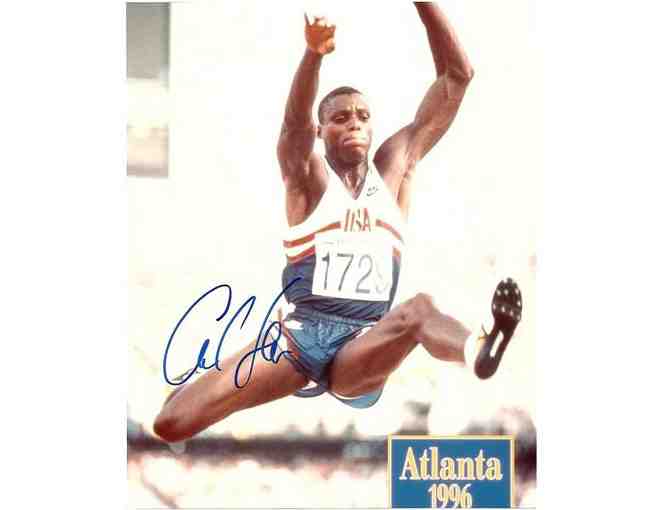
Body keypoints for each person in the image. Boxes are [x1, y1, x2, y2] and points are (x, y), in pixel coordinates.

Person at [153, 2, 522, 443]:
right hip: (301, 336)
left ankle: (478, 348)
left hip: (364, 342)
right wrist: (313, 55)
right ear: (321, 130)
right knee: (171, 422)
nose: (354, 124)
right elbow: (293, 126)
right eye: (340, 118)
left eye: (363, 116)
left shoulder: (396, 169)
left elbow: (458, 77)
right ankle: (201, 394)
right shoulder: (308, 177)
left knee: (419, 310)